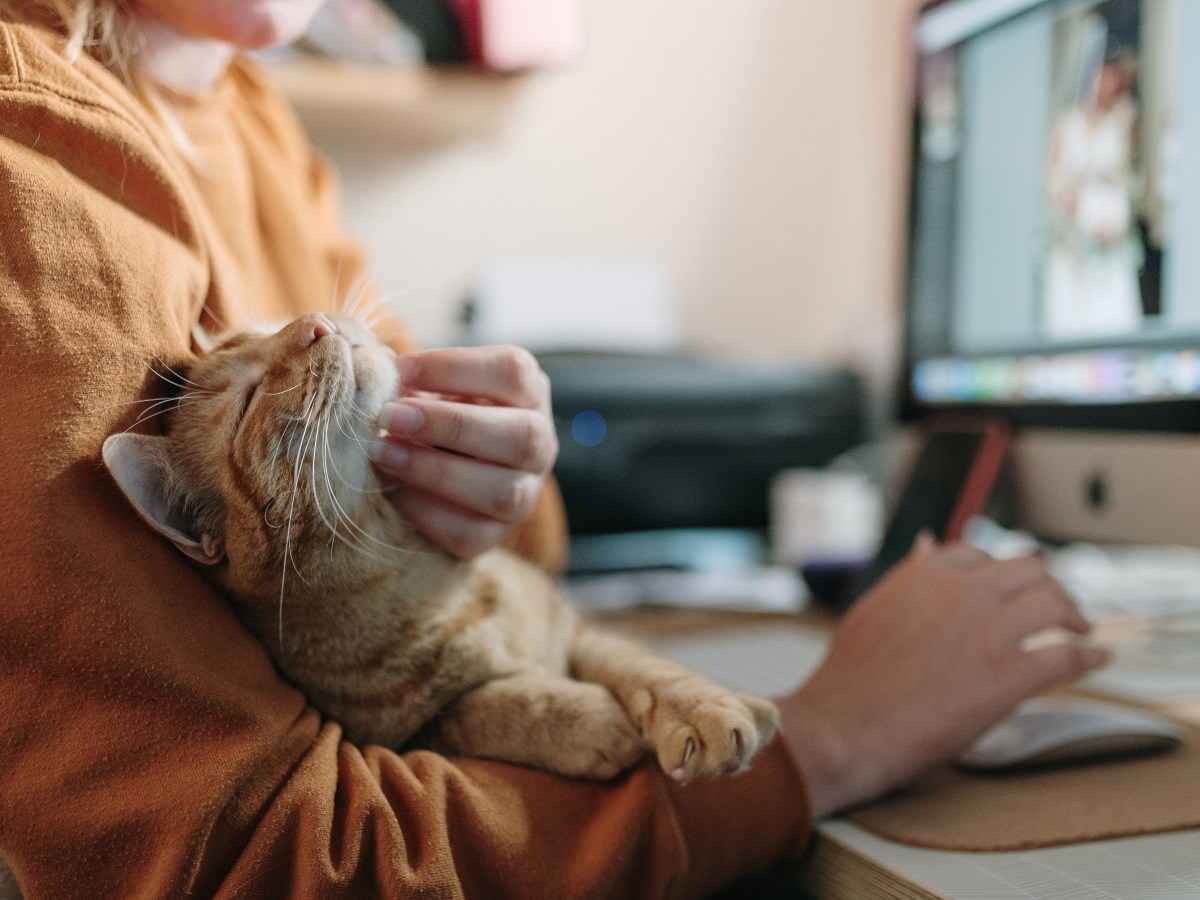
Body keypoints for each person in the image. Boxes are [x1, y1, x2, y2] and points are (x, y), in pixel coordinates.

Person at [0, 1, 1109, 896]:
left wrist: (492, 487)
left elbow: (479, 569)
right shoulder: (33, 159)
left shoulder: (247, 112)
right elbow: (249, 857)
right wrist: (830, 744)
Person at [1043, 52, 1144, 339]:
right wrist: (1083, 211)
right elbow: (1054, 181)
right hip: (1074, 240)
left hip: (1108, 237)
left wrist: (1110, 218)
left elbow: (1122, 179)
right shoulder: (1066, 125)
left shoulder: (1119, 126)